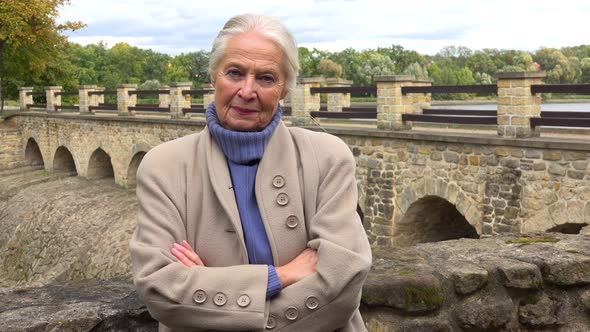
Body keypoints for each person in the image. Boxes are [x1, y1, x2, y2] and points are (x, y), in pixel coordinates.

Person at [129, 13, 372, 332]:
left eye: (266, 78)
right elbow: (160, 289)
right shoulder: (164, 167)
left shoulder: (327, 157)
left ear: (285, 88)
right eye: (235, 73)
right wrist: (280, 276)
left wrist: (211, 293)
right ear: (214, 76)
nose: (247, 90)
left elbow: (343, 284)